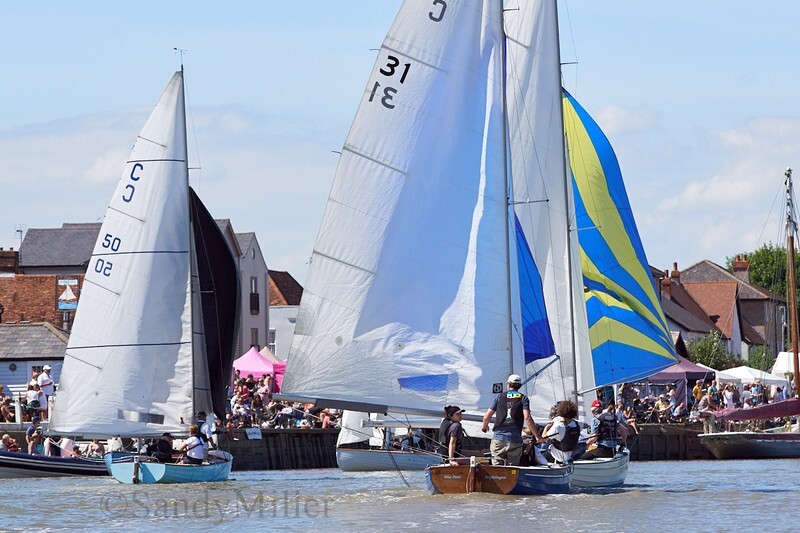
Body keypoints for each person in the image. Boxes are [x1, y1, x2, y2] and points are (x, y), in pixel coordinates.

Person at [481, 374, 541, 466]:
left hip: (499, 439)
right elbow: (527, 418)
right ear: (520, 386)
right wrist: (537, 436)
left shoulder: (499, 397)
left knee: (497, 470)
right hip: (515, 440)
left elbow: (486, 417)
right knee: (512, 470)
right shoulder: (523, 398)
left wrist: (485, 427)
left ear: (508, 384)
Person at [541, 400, 581, 464]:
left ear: (561, 412)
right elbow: (585, 425)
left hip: (555, 457)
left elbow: (543, 438)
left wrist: (547, 427)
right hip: (568, 457)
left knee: (542, 446)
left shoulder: (558, 427)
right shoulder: (578, 424)